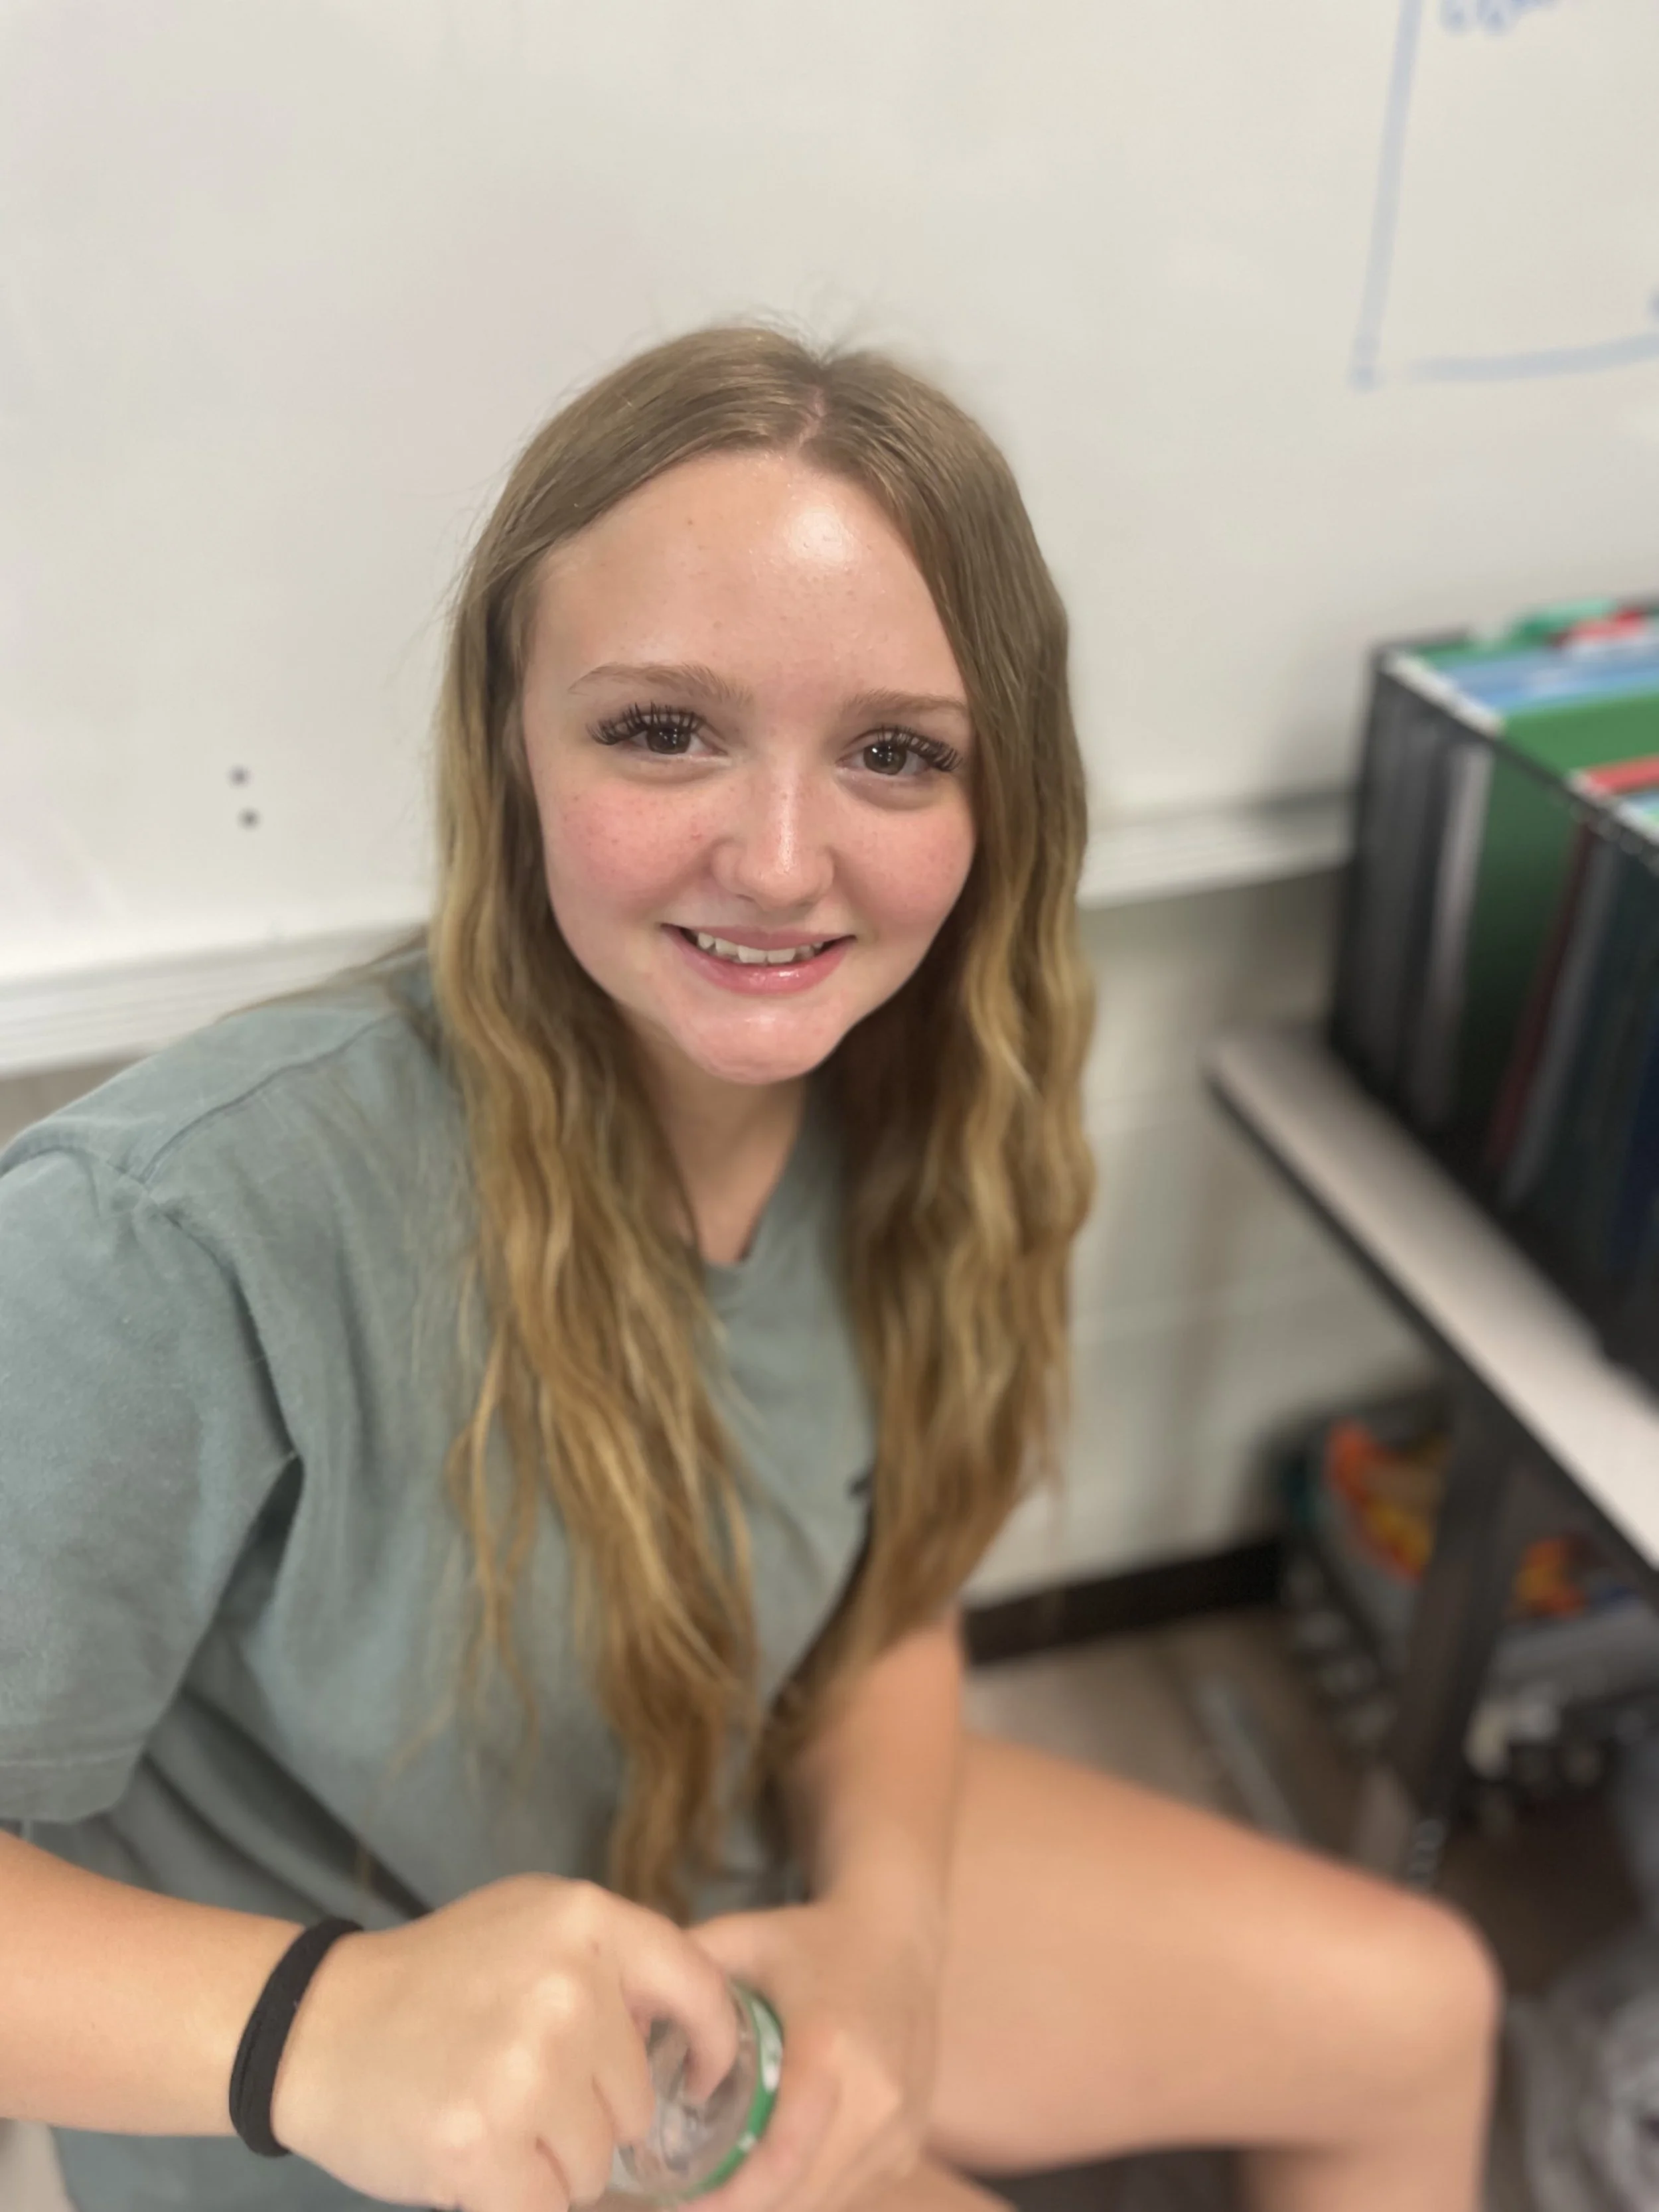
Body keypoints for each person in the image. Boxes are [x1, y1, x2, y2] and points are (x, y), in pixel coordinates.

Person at [0, 325, 1500, 2212]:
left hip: (717, 1879)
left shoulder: (926, 1118)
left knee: (1420, 2004)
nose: (781, 860)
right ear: (508, 746)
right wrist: (314, 2027)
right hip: (384, 2101)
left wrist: (888, 1927)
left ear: (993, 798)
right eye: (661, 728)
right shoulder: (173, 1232)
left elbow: (884, 1586)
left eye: (891, 753)